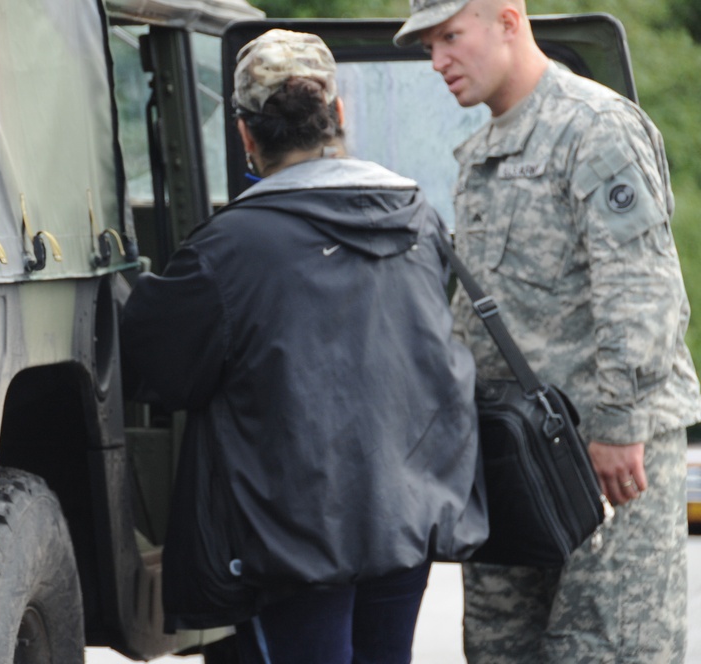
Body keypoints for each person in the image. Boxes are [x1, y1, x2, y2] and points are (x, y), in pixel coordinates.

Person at [121, 28, 487, 664]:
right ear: (338, 115)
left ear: (246, 134)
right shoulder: (417, 218)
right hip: (405, 521)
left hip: (288, 541)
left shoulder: (230, 247)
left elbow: (157, 370)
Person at [394, 1, 701, 662]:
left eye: (450, 37)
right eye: (428, 47)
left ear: (508, 20)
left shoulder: (593, 127)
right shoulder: (480, 153)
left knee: (606, 646)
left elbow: (641, 286)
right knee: (501, 648)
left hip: (608, 461)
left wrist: (619, 425)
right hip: (515, 455)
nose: (439, 61)